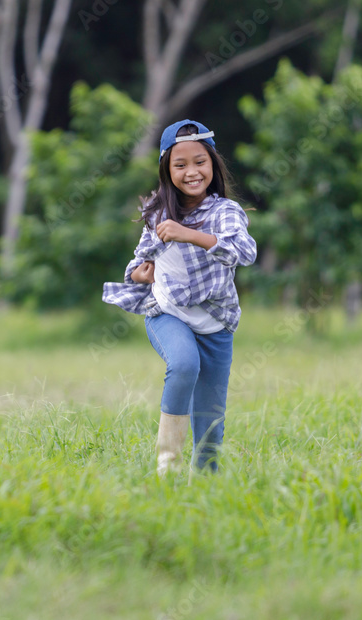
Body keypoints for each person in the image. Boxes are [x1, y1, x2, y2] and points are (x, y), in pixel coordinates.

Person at [102, 119, 257, 476]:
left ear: (213, 165)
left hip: (216, 323)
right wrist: (140, 273)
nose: (191, 172)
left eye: (200, 162)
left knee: (210, 415)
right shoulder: (157, 213)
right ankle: (167, 467)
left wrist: (188, 234)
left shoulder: (225, 212)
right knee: (184, 364)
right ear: (166, 169)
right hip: (167, 311)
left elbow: (244, 252)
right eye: (180, 164)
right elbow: (140, 263)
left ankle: (206, 480)